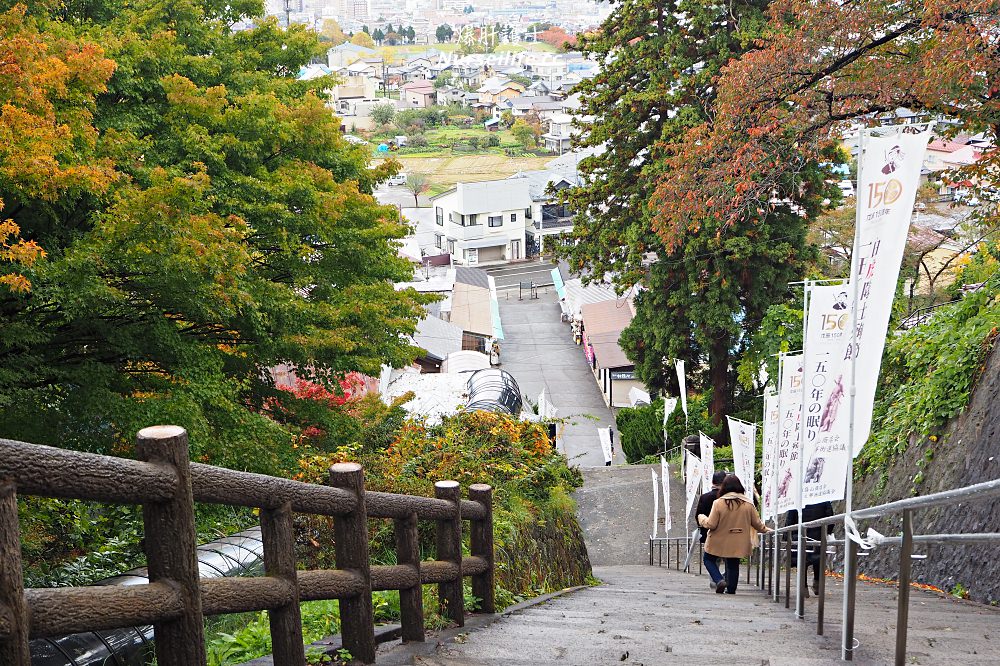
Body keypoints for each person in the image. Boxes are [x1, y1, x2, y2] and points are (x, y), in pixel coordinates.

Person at [698, 475, 771, 594]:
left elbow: (711, 524)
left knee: (708, 559)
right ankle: (731, 590)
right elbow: (757, 524)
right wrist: (767, 529)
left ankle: (719, 580)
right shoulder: (748, 504)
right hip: (739, 540)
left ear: (724, 487)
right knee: (733, 564)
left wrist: (702, 518)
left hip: (719, 540)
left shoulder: (718, 503)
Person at [784, 501, 835, 595]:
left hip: (799, 534)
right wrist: (828, 531)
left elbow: (790, 518)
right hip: (819, 533)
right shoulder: (823, 495)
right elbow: (830, 516)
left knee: (802, 560)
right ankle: (817, 583)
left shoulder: (798, 495)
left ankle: (803, 587)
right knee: (818, 559)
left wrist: (786, 535)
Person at [696, 470, 728, 592]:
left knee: (711, 559)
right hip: (728, 534)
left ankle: (715, 581)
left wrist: (703, 528)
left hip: (710, 533)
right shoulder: (728, 499)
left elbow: (698, 515)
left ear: (713, 482)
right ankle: (724, 580)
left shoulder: (705, 497)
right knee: (729, 560)